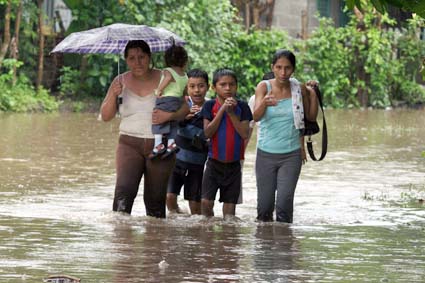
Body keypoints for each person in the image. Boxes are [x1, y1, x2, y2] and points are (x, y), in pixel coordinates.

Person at [100, 40, 189, 218]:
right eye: (132, 58)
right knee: (123, 196)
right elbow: (106, 116)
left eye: (142, 57)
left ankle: (154, 244)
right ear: (126, 60)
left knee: (155, 201)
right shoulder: (120, 81)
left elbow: (187, 108)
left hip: (161, 144)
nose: (137, 62)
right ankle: (121, 244)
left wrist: (170, 116)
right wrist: (112, 94)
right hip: (129, 143)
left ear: (150, 57)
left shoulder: (166, 76)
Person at [253, 49, 318, 223]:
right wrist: (265, 103)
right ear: (272, 67)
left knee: (284, 206)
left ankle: (285, 247)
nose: (283, 72)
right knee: (264, 209)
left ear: (293, 69)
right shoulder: (263, 87)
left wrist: (313, 94)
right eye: (279, 67)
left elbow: (310, 118)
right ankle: (265, 247)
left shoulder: (298, 88)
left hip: (291, 155)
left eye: (287, 68)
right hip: (265, 154)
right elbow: (255, 117)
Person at [200, 68, 252, 218]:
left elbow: (244, 133)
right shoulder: (209, 106)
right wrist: (222, 109)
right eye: (223, 85)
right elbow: (207, 133)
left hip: (234, 166)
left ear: (236, 86)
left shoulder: (242, 107)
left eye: (231, 84)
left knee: (229, 214)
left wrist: (231, 113)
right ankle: (207, 239)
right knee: (206, 204)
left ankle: (227, 241)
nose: (228, 88)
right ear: (214, 87)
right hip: (213, 163)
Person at [166, 69, 210, 215]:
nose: (197, 90)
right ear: (186, 88)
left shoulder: (211, 107)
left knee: (195, 206)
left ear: (208, 87)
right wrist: (184, 117)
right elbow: (167, 124)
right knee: (169, 197)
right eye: (192, 86)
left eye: (201, 86)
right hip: (176, 160)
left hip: (197, 164)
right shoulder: (180, 104)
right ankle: (178, 220)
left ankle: (195, 235)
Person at [150, 44, 188, 159]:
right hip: (177, 101)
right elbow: (185, 92)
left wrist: (158, 90)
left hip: (166, 99)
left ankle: (158, 145)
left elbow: (167, 79)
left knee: (157, 119)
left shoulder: (168, 71)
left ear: (167, 59)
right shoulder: (184, 75)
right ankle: (171, 143)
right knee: (173, 122)